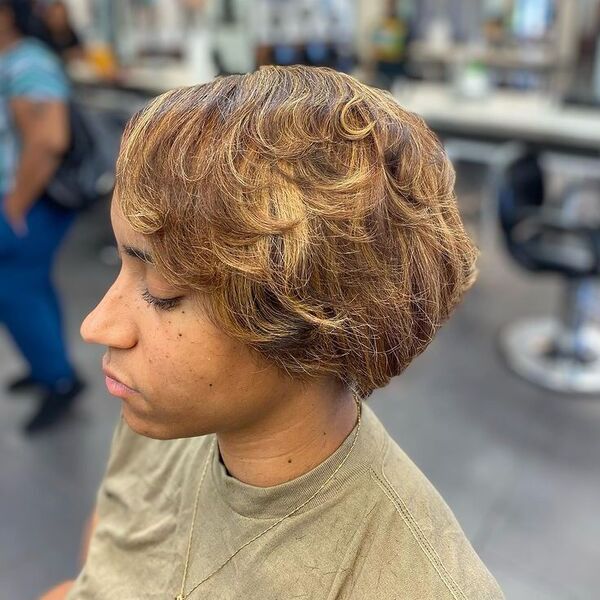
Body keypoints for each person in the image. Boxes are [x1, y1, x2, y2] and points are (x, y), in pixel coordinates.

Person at [43, 66, 504, 599]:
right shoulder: (159, 411)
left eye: (163, 291)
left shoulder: (414, 582)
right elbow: (106, 561)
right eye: (122, 267)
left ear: (306, 318)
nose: (96, 325)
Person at [0, 0, 83, 433]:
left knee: (14, 290)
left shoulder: (28, 61)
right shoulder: (12, 60)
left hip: (26, 201)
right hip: (19, 199)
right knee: (30, 286)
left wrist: (15, 205)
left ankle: (59, 380)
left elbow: (49, 138)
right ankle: (48, 365)